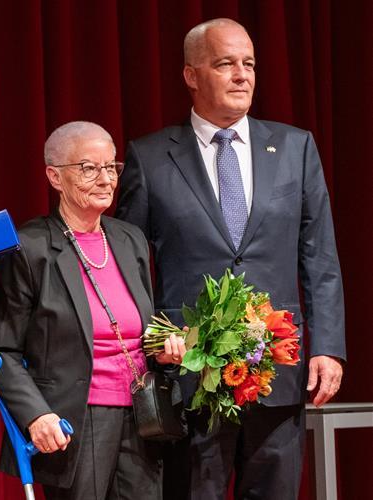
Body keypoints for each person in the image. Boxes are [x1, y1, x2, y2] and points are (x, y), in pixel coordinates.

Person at [115, 18, 346, 500]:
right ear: (191, 75)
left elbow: (319, 255)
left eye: (249, 64)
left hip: (278, 371)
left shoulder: (295, 147)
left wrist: (326, 345)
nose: (242, 75)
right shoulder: (152, 156)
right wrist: (156, 342)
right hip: (191, 374)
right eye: (225, 64)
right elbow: (129, 266)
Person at [0, 121, 186, 500]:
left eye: (111, 167)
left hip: (143, 419)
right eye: (89, 168)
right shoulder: (30, 248)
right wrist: (35, 415)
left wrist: (164, 350)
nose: (105, 179)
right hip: (75, 423)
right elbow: (0, 350)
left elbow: (144, 327)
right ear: (55, 177)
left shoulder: (130, 240)